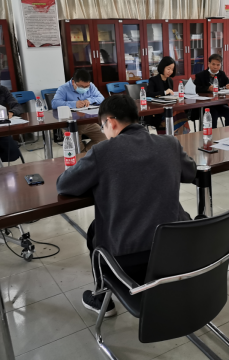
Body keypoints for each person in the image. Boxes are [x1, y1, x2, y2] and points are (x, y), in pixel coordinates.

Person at [56, 94, 197, 316]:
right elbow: (190, 172)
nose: (104, 132)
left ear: (110, 122)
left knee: (95, 231)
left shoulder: (102, 152)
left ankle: (102, 298)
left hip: (128, 260)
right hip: (175, 250)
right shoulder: (170, 143)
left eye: (103, 127)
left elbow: (64, 185)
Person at [52, 69, 107, 151]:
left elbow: (101, 98)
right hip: (70, 125)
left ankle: (85, 154)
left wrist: (89, 100)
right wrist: (74, 104)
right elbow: (54, 103)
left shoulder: (91, 86)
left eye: (87, 86)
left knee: (105, 139)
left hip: (88, 122)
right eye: (81, 86)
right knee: (76, 150)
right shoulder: (63, 88)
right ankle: (84, 155)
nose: (85, 88)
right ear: (73, 82)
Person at [146, 56, 190, 134]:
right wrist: (164, 92)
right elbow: (148, 94)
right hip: (158, 110)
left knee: (180, 110)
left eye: (172, 69)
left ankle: (179, 135)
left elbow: (170, 97)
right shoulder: (153, 80)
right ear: (163, 67)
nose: (170, 71)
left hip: (169, 107)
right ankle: (174, 134)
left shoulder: (170, 81)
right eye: (168, 69)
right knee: (177, 111)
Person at [194, 54, 229, 128]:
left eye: (218, 65)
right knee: (213, 113)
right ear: (209, 64)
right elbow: (195, 88)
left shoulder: (221, 74)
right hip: (205, 105)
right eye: (213, 64)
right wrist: (207, 88)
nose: (215, 67)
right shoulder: (200, 75)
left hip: (219, 103)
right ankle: (212, 134)